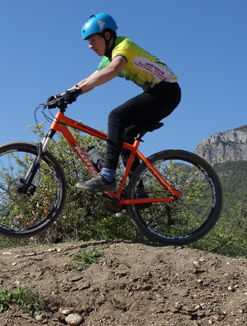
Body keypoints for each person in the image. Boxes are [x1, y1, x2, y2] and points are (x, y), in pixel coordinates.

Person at [57, 13, 181, 194]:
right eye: (88, 42)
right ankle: (139, 194)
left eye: (93, 40)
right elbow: (89, 80)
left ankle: (107, 176)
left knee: (116, 116)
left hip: (166, 91)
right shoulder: (109, 58)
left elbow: (112, 70)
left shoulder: (124, 46)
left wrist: (75, 91)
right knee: (124, 141)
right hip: (161, 94)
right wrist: (62, 95)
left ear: (107, 35)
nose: (90, 46)